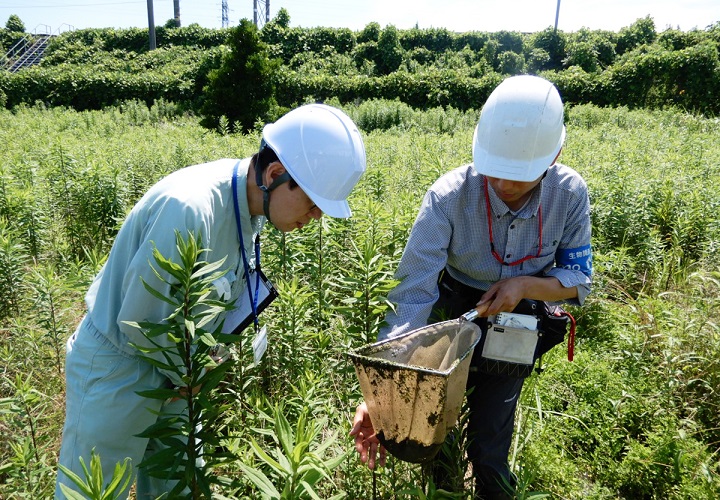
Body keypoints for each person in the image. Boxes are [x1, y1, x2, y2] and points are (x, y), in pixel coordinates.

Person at [55, 103, 367, 499]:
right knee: (96, 491)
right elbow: (138, 319)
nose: (316, 217)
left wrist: (199, 368)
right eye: (313, 204)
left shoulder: (249, 209)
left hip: (180, 376)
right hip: (122, 369)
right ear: (275, 174)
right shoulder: (190, 208)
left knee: (179, 488)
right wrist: (190, 373)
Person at [350, 75, 592, 498]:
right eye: (495, 173)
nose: (505, 186)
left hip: (520, 314)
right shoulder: (448, 197)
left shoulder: (569, 194)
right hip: (454, 305)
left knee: (491, 432)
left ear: (555, 154)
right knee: (431, 418)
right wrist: (386, 384)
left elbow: (578, 280)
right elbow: (412, 293)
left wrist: (524, 286)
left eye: (521, 176)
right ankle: (443, 487)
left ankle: (493, 488)